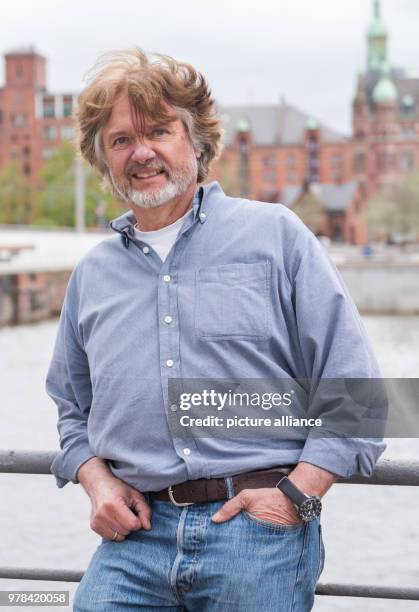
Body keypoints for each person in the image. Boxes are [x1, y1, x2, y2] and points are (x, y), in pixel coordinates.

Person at [46, 48, 386, 612]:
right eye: (121, 139)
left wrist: (298, 497)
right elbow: (69, 407)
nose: (142, 151)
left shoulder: (276, 235)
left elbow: (358, 389)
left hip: (258, 536)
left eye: (160, 130)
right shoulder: (92, 275)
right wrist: (95, 481)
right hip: (133, 541)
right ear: (103, 160)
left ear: (197, 143)